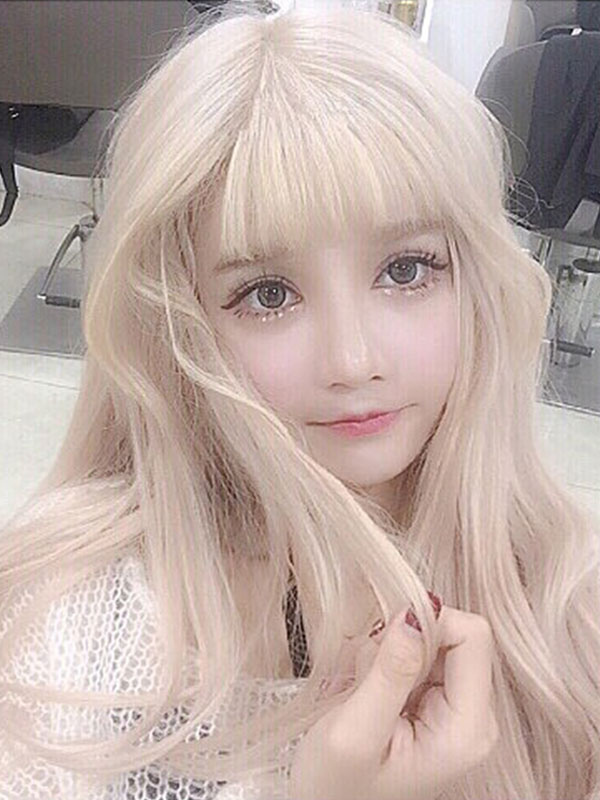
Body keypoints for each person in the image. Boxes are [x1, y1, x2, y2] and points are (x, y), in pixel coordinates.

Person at [1, 2, 599, 799]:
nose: (353, 361)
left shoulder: (568, 614)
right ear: (175, 322)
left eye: (407, 270)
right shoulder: (68, 622)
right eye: (269, 293)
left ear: (477, 283)